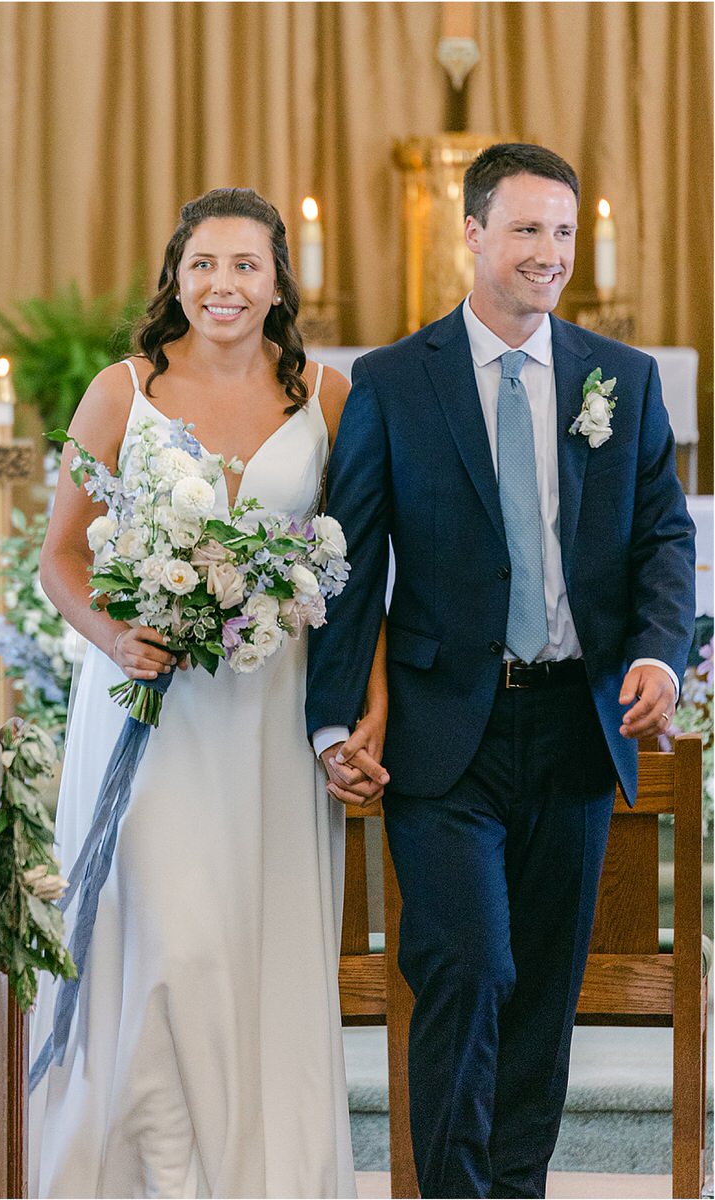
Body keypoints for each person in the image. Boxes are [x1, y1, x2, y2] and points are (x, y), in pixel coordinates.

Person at [306, 143, 696, 1198]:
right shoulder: (394, 381)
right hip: (445, 737)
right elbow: (350, 560)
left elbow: (665, 536)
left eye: (563, 232)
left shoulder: (621, 379)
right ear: (471, 234)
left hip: (577, 727)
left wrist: (662, 648)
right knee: (468, 970)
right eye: (527, 230)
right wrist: (333, 722)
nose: (550, 253)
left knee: (542, 997)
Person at [29, 187, 367, 1199]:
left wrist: (352, 714)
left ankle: (263, 1171)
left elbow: (358, 570)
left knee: (253, 936)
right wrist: (113, 635)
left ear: (277, 282)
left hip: (268, 716)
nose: (224, 285)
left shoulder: (329, 396)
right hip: (149, 711)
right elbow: (60, 558)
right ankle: (154, 1173)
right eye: (205, 265)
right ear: (175, 276)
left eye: (246, 265)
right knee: (167, 934)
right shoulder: (120, 391)